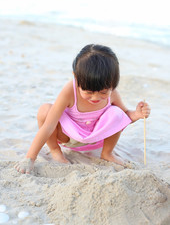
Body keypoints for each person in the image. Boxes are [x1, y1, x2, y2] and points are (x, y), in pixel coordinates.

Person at [15, 44, 150, 174]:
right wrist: (30, 158)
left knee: (117, 112)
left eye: (103, 92)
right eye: (88, 92)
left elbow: (124, 117)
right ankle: (55, 151)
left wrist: (137, 114)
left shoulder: (113, 93)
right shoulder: (69, 91)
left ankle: (107, 153)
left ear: (113, 84)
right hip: (67, 137)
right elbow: (49, 126)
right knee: (45, 110)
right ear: (76, 77)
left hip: (96, 138)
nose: (95, 97)